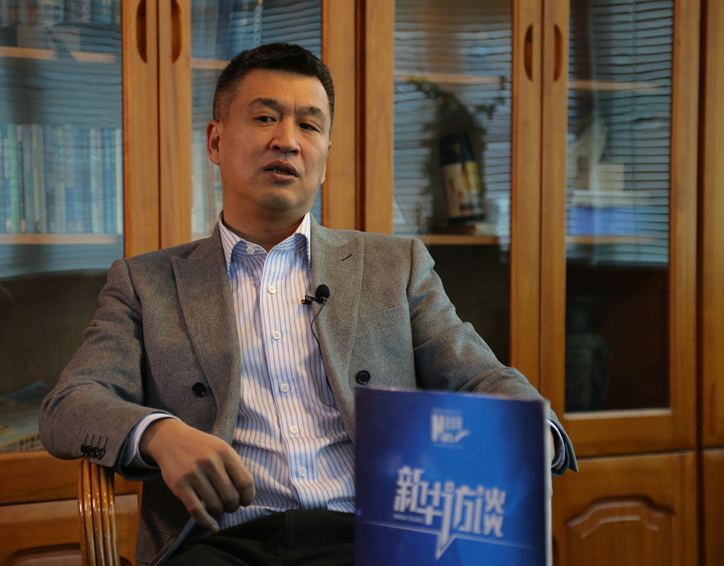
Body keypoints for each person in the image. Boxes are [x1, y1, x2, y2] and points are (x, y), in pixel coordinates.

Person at [39, 42, 577, 566]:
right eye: (265, 118)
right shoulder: (146, 282)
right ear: (216, 141)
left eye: (309, 126)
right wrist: (160, 433)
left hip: (374, 537)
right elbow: (70, 404)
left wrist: (530, 432)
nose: (287, 141)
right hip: (220, 542)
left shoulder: (395, 266)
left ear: (324, 156)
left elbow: (481, 377)